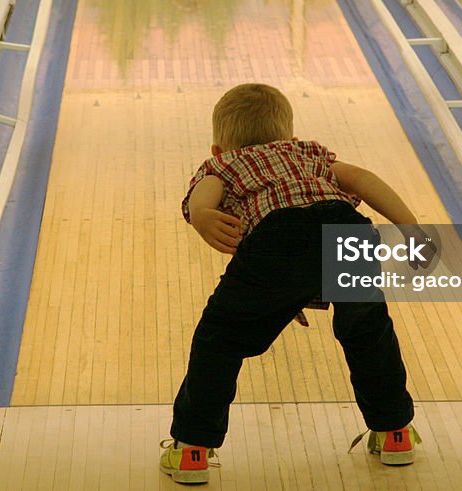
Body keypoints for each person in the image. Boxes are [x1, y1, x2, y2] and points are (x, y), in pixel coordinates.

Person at [160, 83, 426, 484]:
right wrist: (410, 227)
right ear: (290, 136)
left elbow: (207, 194)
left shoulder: (224, 164)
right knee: (368, 330)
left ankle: (192, 450)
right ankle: (395, 433)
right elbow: (361, 178)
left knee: (220, 338)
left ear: (218, 149)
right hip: (347, 228)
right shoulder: (308, 153)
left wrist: (201, 215)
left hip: (277, 240)